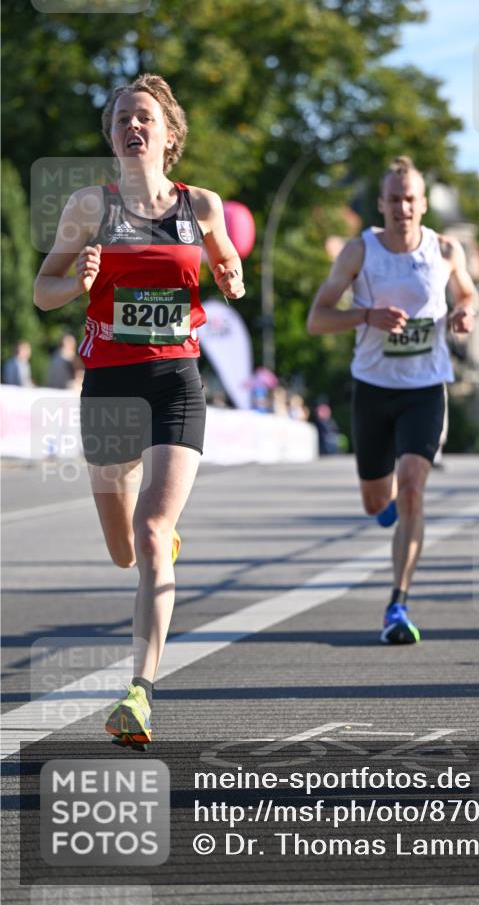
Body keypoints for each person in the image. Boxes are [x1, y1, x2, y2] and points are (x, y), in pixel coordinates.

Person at [34, 73, 245, 745]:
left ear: (169, 134)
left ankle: (139, 692)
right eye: (123, 117)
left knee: (153, 532)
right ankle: (157, 546)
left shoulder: (201, 204)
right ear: (113, 135)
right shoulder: (88, 209)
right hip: (108, 386)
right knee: (124, 549)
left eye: (145, 117)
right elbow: (44, 292)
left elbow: (227, 263)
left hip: (176, 380)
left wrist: (231, 274)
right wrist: (79, 283)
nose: (133, 126)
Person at [307, 156, 476, 644]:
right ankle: (388, 510)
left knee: (414, 487)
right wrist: (365, 315)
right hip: (374, 390)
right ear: (380, 205)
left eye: (410, 199)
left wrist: (464, 313)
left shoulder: (446, 249)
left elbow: (468, 295)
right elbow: (317, 319)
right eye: (394, 199)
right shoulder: (359, 253)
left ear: (423, 204)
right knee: (376, 502)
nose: (402, 207)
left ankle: (397, 603)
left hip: (425, 389)